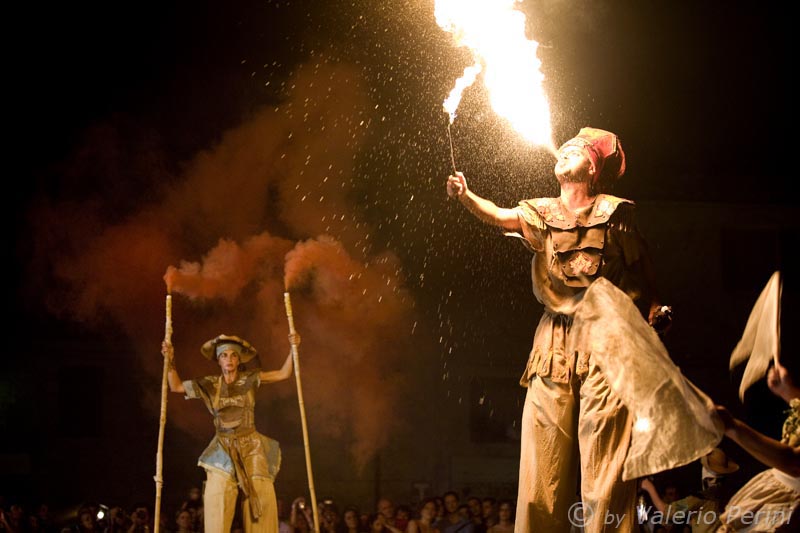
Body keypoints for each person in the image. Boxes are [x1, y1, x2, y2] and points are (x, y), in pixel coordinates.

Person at [447, 127, 668, 533]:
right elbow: (498, 215)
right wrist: (465, 196)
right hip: (554, 341)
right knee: (540, 468)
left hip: (608, 341)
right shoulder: (540, 213)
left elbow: (644, 273)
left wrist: (655, 309)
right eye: (565, 146)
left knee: (607, 468)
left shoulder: (616, 215)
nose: (566, 149)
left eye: (579, 150)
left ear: (593, 171)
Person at [162, 332, 297, 533]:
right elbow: (176, 386)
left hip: (251, 445)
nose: (229, 359)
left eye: (234, 355)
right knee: (217, 496)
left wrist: (293, 349)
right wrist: (169, 359)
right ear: (218, 359)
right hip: (222, 447)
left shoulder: (250, 379)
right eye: (224, 355)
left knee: (261, 497)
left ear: (239, 359)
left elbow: (283, 374)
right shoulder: (210, 384)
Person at [713, 360, 800, 532]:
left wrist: (733, 427)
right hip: (777, 487)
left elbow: (794, 463)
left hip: (790, 504)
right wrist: (788, 392)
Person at [639, 448, 739, 532]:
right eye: (670, 494)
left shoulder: (699, 499)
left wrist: (650, 488)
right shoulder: (730, 495)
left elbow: (667, 512)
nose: (673, 496)